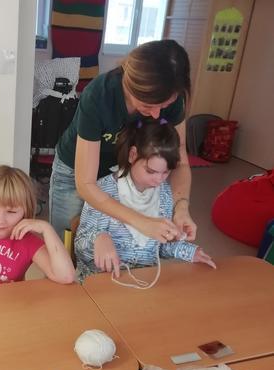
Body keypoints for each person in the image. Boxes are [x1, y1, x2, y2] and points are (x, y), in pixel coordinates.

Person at [49, 39, 195, 244]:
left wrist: (181, 207)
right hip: (74, 172)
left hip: (122, 174)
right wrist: (141, 221)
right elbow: (86, 184)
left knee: (113, 245)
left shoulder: (171, 98)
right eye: (148, 105)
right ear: (130, 84)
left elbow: (180, 160)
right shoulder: (99, 95)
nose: (156, 115)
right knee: (66, 243)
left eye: (164, 106)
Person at [74, 119, 215, 280]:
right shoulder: (102, 191)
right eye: (150, 171)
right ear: (132, 155)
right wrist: (99, 238)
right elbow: (80, 246)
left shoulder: (164, 194)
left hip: (143, 281)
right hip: (101, 282)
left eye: (166, 172)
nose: (159, 180)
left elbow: (160, 247)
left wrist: (189, 252)